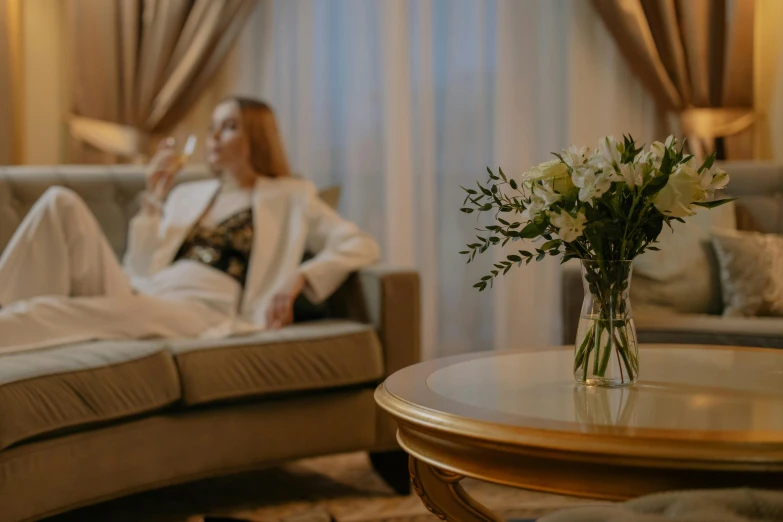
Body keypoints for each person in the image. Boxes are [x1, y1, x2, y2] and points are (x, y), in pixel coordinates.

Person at [0, 97, 380, 353]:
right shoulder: (189, 193)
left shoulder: (291, 196)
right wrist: (153, 201)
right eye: (213, 126)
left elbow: (360, 244)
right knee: (58, 201)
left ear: (257, 138)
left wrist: (298, 277)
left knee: (58, 310)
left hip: (202, 308)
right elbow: (140, 266)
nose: (213, 136)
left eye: (229, 127)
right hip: (146, 290)